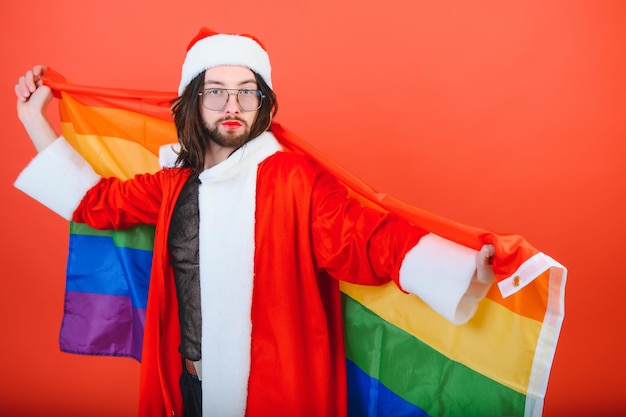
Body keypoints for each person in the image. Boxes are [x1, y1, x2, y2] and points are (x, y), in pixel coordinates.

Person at [14, 27, 496, 417]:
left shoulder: (292, 177)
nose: (232, 106)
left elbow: (364, 236)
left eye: (247, 93)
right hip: (189, 388)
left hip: (271, 393)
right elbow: (97, 203)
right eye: (217, 92)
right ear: (191, 102)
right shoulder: (173, 184)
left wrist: (458, 266)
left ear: (262, 103)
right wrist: (35, 119)